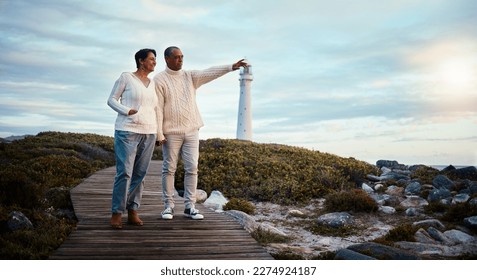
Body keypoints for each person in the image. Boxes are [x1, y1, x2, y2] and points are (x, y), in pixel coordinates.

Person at [154, 46, 248, 220]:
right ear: (167, 59)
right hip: (171, 133)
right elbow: (158, 108)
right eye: (176, 57)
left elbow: (209, 72)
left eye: (182, 57)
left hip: (192, 130)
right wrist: (159, 133)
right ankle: (168, 206)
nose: (180, 60)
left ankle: (190, 206)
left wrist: (231, 67)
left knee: (192, 168)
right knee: (169, 169)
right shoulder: (159, 80)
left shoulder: (189, 76)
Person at [107, 48, 159, 229]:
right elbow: (111, 100)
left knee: (140, 174)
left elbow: (155, 109)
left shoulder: (152, 84)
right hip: (127, 130)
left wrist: (158, 133)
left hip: (149, 132)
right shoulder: (126, 77)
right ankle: (116, 213)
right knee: (125, 173)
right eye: (151, 59)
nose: (154, 62)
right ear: (141, 60)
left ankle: (133, 211)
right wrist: (126, 110)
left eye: (155, 59)